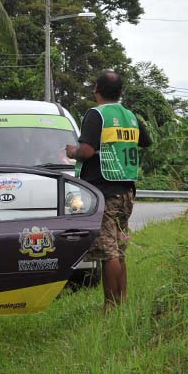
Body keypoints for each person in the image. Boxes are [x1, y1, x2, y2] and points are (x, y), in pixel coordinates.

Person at [66, 70, 152, 312]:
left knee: (109, 252)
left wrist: (72, 151)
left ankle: (110, 305)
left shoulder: (97, 115)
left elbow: (85, 151)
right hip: (127, 190)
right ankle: (122, 301)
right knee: (119, 249)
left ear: (97, 90)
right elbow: (145, 141)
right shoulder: (130, 116)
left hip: (104, 190)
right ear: (120, 92)